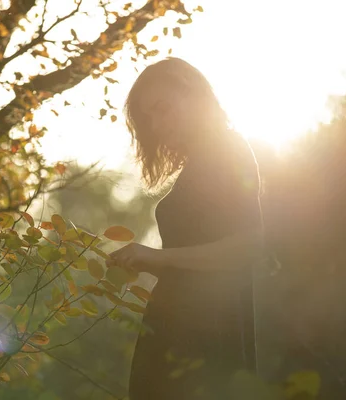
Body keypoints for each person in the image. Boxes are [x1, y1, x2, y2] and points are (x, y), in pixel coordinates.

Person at [107, 58, 264, 399]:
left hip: (207, 336)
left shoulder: (227, 150)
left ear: (194, 97)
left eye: (163, 109)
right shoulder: (202, 161)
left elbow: (248, 246)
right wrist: (150, 261)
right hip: (177, 330)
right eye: (148, 117)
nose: (157, 124)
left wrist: (159, 258)